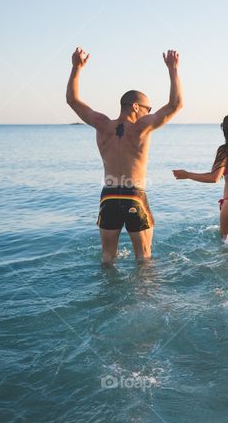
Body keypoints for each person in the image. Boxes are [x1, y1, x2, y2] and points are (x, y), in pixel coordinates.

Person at [66, 46, 183, 264]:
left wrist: (76, 68)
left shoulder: (101, 125)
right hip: (134, 195)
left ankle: (106, 297)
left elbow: (72, 100)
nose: (149, 114)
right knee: (144, 259)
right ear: (136, 107)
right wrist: (173, 69)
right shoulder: (141, 127)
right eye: (148, 109)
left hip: (109, 196)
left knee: (107, 258)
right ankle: (144, 298)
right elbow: (176, 105)